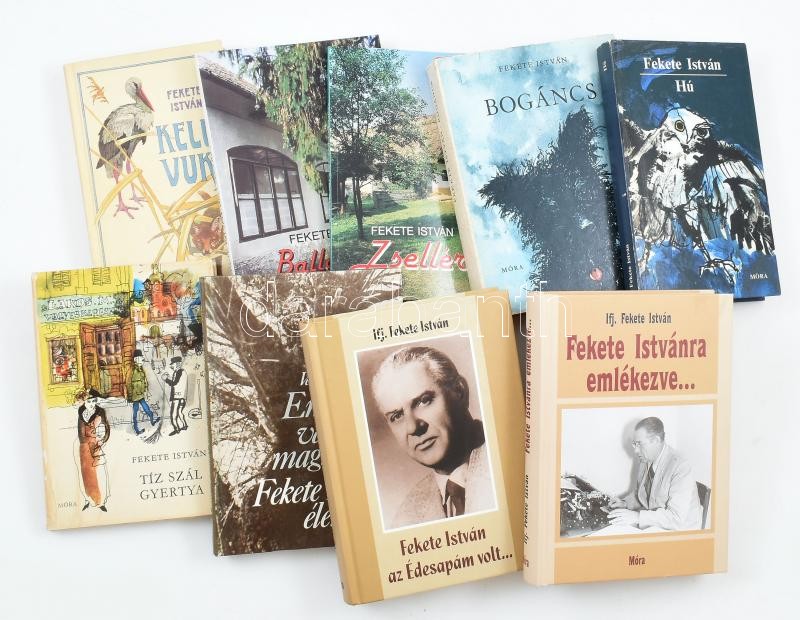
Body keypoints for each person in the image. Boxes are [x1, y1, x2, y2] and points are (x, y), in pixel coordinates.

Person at [371, 346, 493, 529]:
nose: (413, 427)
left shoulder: (510, 457)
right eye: (397, 416)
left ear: (459, 392)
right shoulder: (406, 518)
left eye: (423, 401)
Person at [608, 416, 702, 531]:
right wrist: (625, 503)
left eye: (639, 444)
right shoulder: (646, 459)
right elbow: (640, 495)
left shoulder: (680, 466)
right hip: (656, 526)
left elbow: (676, 518)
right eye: (634, 444)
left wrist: (637, 517)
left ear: (656, 440)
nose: (636, 450)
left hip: (680, 532)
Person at [73, 388, 111, 512]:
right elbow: (81, 433)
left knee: (100, 471)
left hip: (97, 444)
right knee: (86, 472)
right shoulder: (81, 412)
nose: (91, 403)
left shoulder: (100, 412)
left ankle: (101, 500)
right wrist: (85, 447)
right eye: (89, 401)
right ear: (84, 402)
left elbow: (106, 429)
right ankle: (90, 499)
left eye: (94, 400)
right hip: (85, 446)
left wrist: (101, 441)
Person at [128, 349, 158, 435]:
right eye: (140, 358)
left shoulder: (141, 369)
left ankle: (152, 421)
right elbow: (129, 384)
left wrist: (145, 390)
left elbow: (144, 382)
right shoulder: (133, 371)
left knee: (146, 408)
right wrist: (130, 396)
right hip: (135, 396)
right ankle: (137, 430)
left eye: (142, 358)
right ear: (135, 359)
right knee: (135, 413)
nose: (142, 360)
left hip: (140, 395)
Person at [162, 356, 188, 436]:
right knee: (180, 412)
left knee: (173, 415)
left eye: (172, 364)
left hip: (177, 398)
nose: (171, 366)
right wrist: (169, 378)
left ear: (177, 364)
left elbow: (174, 383)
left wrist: (166, 379)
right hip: (182, 397)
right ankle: (184, 425)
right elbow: (176, 382)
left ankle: (176, 429)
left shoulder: (179, 372)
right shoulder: (181, 372)